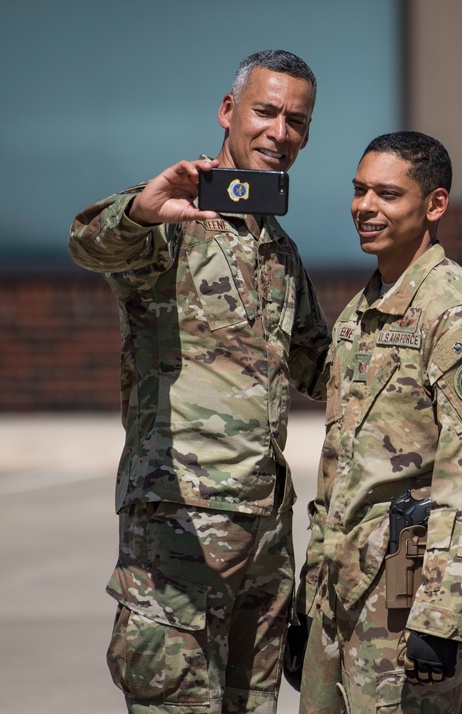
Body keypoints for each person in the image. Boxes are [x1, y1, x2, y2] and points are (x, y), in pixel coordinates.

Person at [68, 50, 331, 714]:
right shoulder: (170, 222)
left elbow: (323, 368)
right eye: (266, 112)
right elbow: (93, 243)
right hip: (178, 541)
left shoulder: (280, 251)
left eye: (296, 121)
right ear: (228, 112)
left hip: (262, 549)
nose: (280, 132)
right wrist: (141, 211)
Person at [291, 131, 462, 713]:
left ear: (434, 205)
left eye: (387, 194)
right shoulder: (363, 310)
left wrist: (444, 615)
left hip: (405, 601)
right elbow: (343, 472)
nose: (365, 207)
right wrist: (307, 600)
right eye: (359, 191)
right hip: (337, 599)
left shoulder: (459, 312)